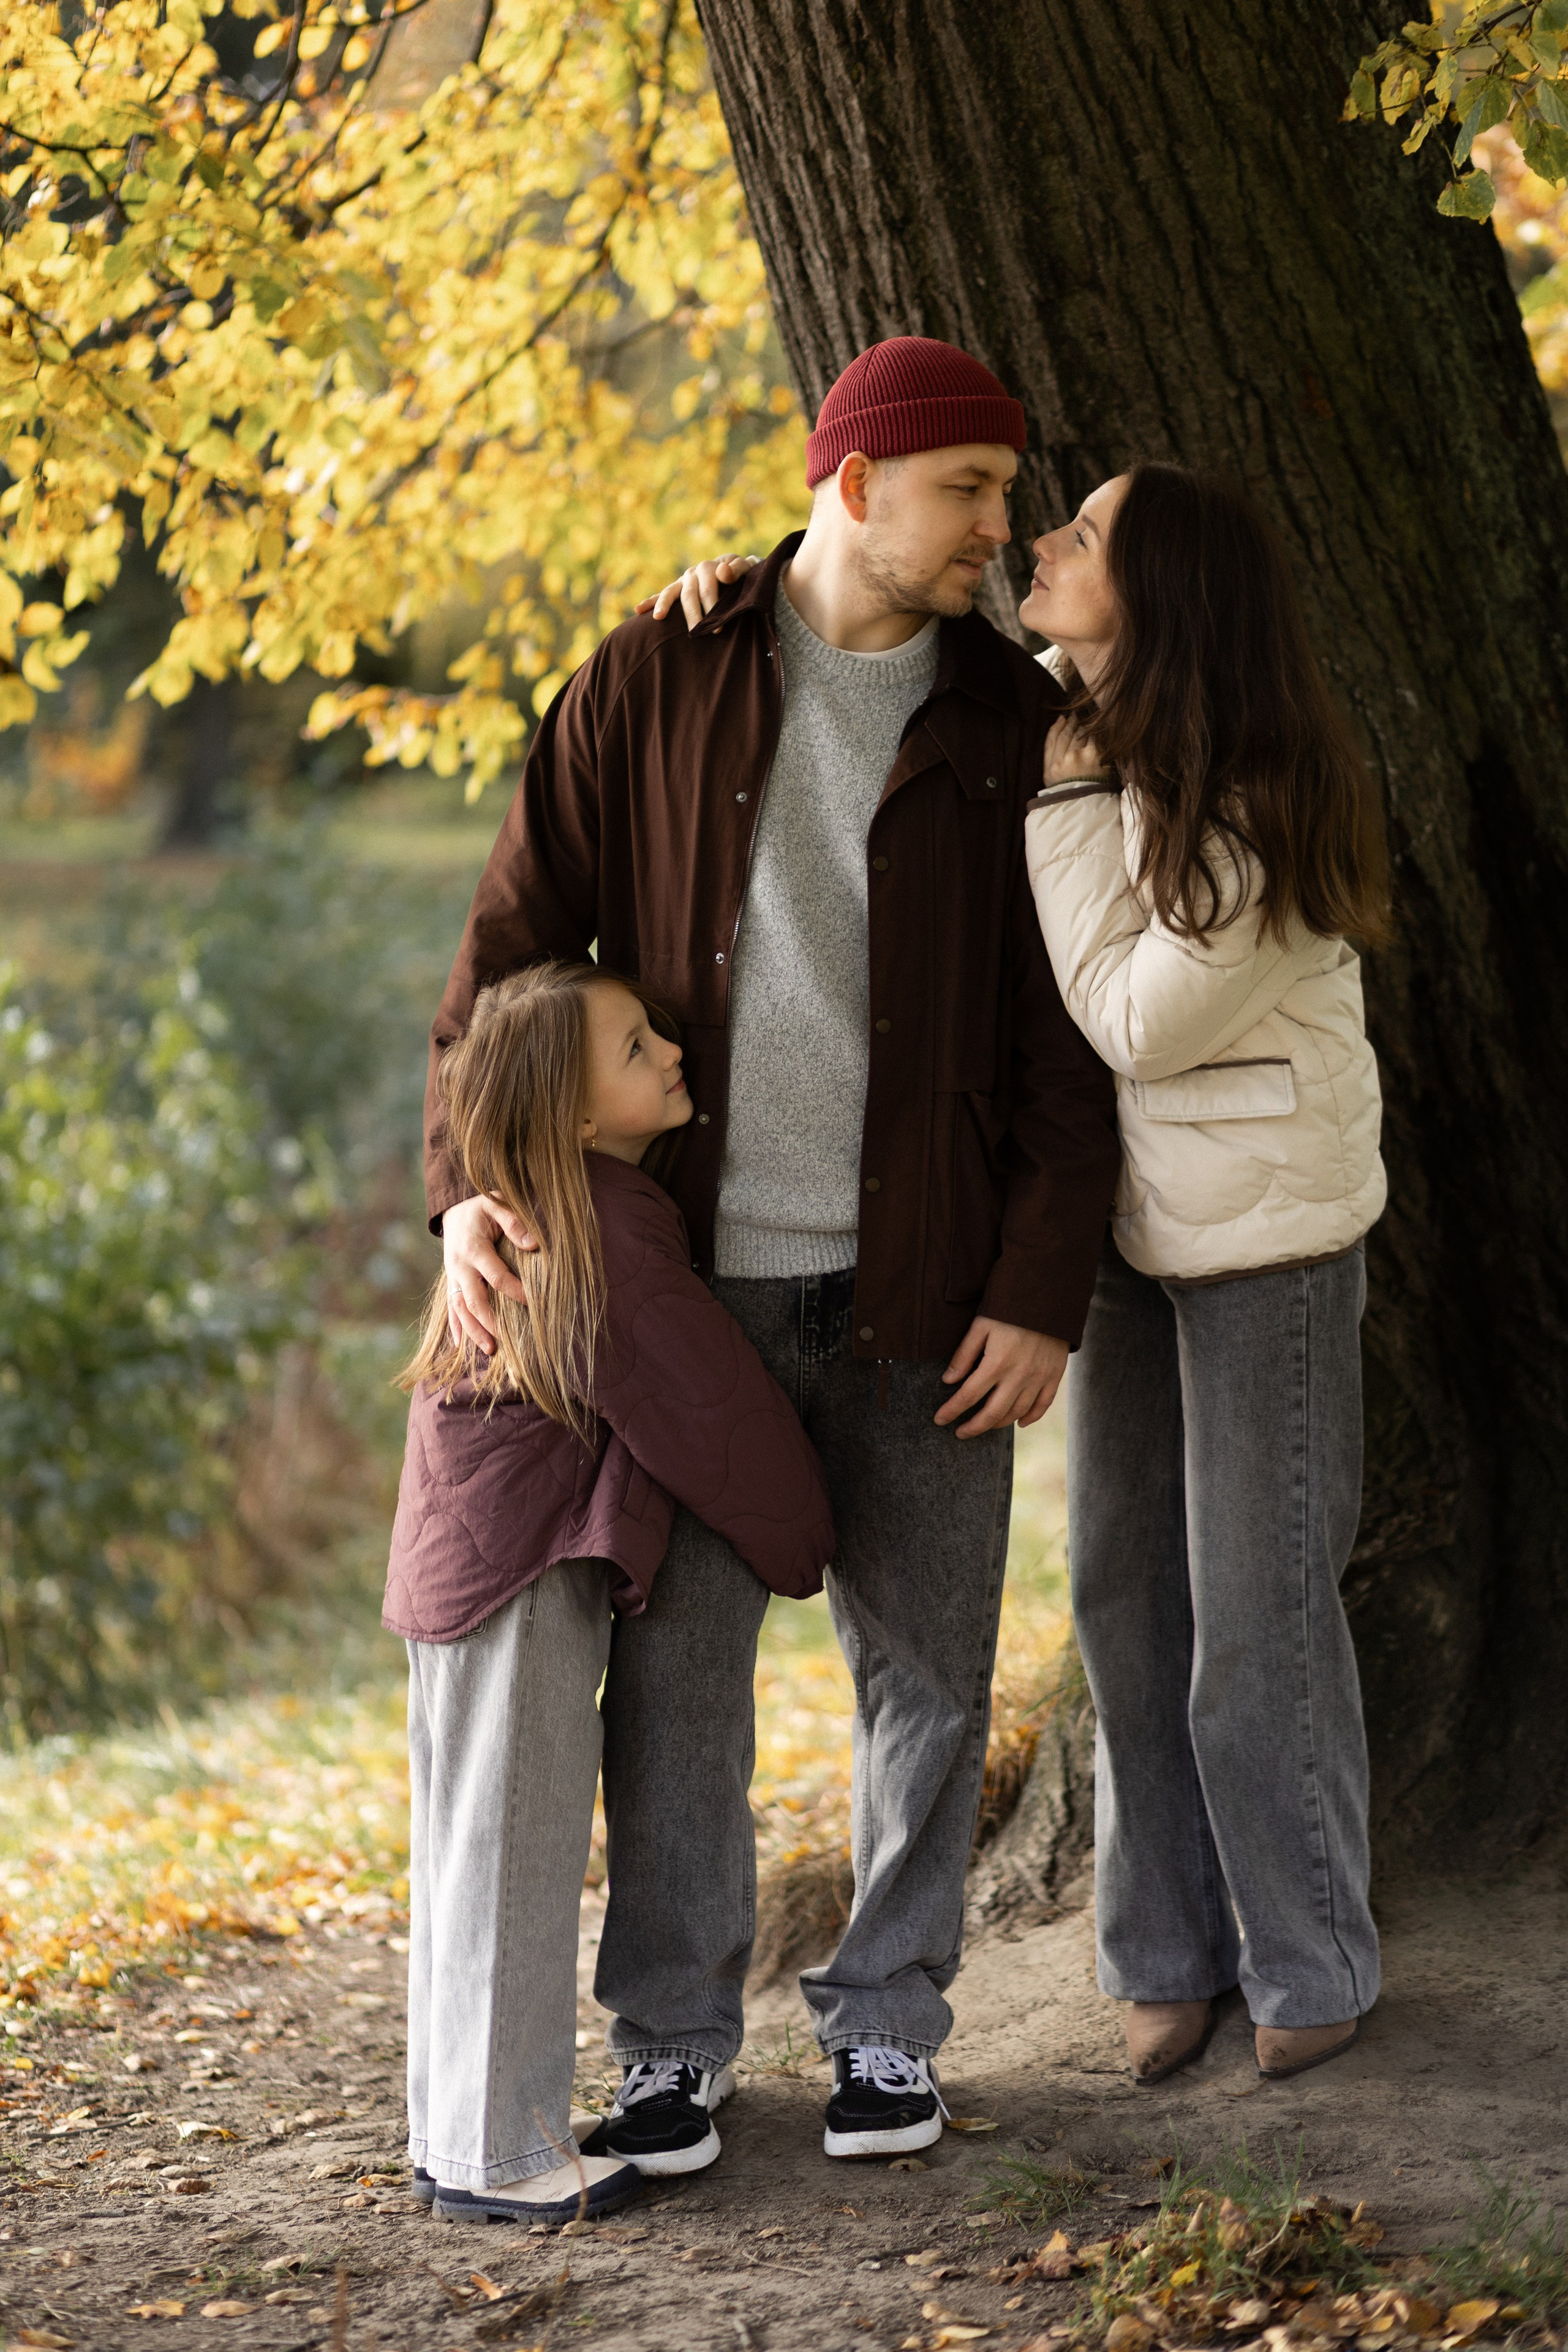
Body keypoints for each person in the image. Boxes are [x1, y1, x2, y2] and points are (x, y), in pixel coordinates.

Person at [428, 336, 1119, 2168]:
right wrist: (466, 1195)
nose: (999, 522)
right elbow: (509, 958)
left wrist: (1043, 1287)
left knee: (931, 1671)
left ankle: (890, 2024)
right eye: (967, 487)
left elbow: (1069, 1041)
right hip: (688, 1300)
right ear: (854, 479)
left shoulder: (1011, 712)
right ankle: (670, 2040)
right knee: (676, 1679)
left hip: (932, 1295)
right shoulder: (657, 669)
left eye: (1006, 488)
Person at [1021, 462, 1388, 2085]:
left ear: (1156, 604)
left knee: (1257, 1633)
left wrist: (1056, 803)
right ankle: (1161, 1954)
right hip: (1123, 1237)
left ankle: (1309, 1956)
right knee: (1124, 1604)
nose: (1043, 542)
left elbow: (1136, 1019)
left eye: (1082, 537)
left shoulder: (1249, 786)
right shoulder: (1076, 718)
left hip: (1264, 1246)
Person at [388, 960, 833, 2224]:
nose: (671, 1049)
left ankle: (452, 2134)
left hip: (464, 1565)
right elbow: (706, 1406)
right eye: (636, 1048)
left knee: (468, 1852)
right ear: (580, 1118)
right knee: (512, 1857)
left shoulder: (545, 1203)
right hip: (515, 1572)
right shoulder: (599, 1221)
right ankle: (507, 2157)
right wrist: (803, 1534)